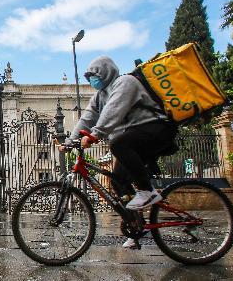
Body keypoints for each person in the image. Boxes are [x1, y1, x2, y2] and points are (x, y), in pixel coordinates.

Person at [61, 56, 177, 247]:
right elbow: (86, 119)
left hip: (157, 129)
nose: (92, 80)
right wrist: (70, 142)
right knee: (118, 180)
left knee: (118, 144)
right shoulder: (100, 96)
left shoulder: (125, 82)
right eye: (89, 77)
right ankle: (136, 226)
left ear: (106, 72)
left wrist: (95, 135)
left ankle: (147, 191)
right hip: (136, 137)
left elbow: (112, 112)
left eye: (94, 75)